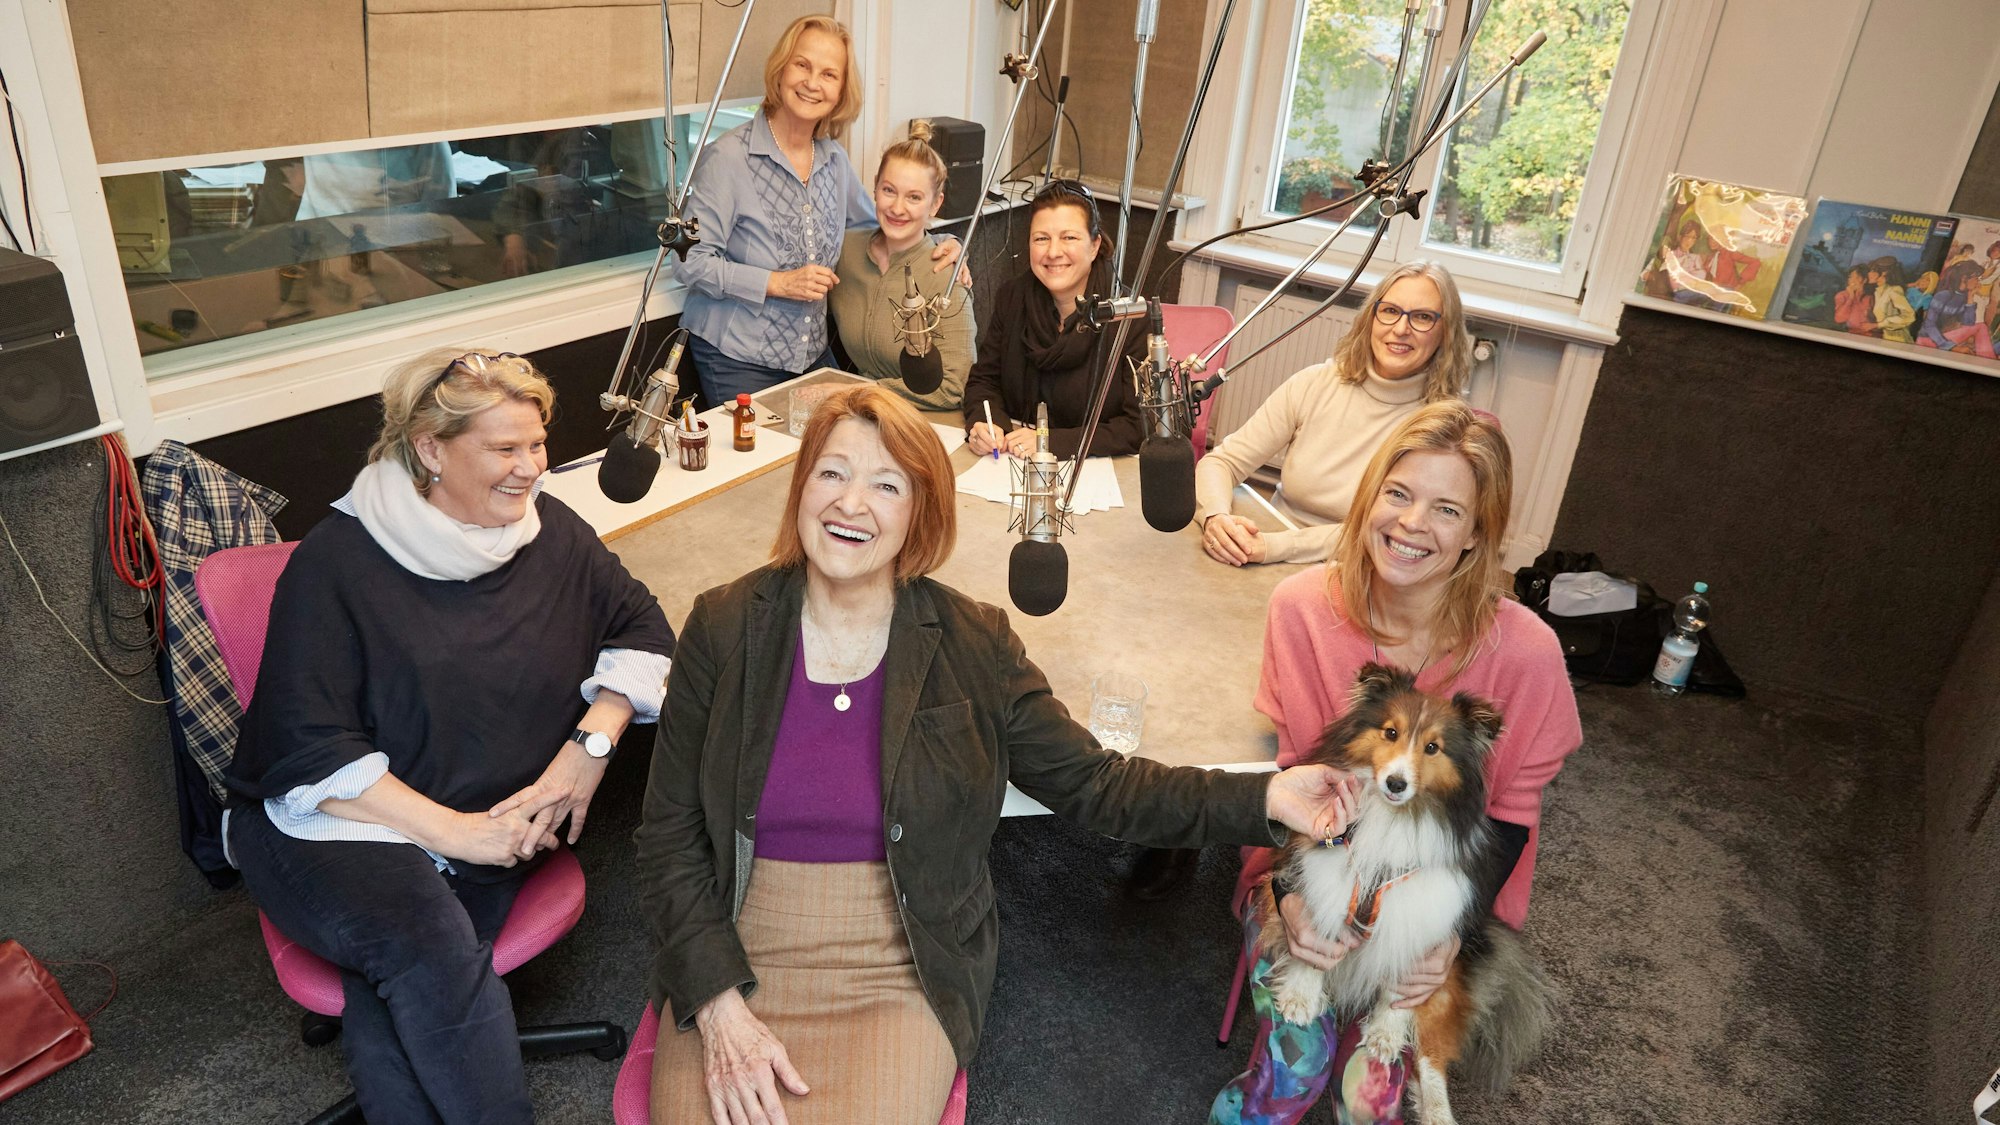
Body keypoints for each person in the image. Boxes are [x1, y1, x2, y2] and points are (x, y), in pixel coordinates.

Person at [635, 384, 1360, 1125]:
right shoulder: (724, 625)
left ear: (920, 512)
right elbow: (668, 832)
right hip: (739, 943)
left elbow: (1099, 785)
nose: (851, 503)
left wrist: (1262, 798)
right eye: (832, 472)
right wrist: (717, 1001)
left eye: (887, 484)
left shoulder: (972, 640)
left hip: (900, 962)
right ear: (800, 486)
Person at [224, 350, 676, 1124]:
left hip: (490, 819)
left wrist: (590, 747)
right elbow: (308, 746)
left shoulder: (551, 532)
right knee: (427, 948)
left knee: (403, 984)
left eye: (537, 443)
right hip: (343, 820)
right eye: (505, 448)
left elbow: (643, 628)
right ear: (431, 449)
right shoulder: (339, 560)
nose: (532, 466)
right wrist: (460, 834)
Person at [1208, 401, 1582, 1125]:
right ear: (1370, 495)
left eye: (1447, 509)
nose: (1412, 524)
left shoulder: (1529, 654)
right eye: (1399, 493)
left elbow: (1509, 823)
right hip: (1305, 871)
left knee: (1372, 1094)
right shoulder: (1300, 607)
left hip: (1441, 905)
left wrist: (1447, 939)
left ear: (1478, 534)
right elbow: (1289, 785)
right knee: (1295, 1066)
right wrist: (1288, 897)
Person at [677, 16, 961, 405]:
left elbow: (881, 229)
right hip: (735, 356)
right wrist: (776, 283)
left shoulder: (833, 160)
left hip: (811, 355)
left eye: (829, 74)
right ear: (781, 69)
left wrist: (943, 244)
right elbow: (690, 261)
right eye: (802, 65)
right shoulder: (728, 158)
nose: (813, 83)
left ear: (841, 89)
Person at [1195, 261, 1475, 568]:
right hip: (1266, 547)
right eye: (1391, 311)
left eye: (1422, 317)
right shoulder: (1315, 382)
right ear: (1371, 317)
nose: (1400, 329)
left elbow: (1390, 533)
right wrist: (1216, 517)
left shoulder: (1442, 427)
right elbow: (1222, 462)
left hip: (1363, 569)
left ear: (1445, 333)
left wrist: (1277, 547)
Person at [962, 181, 1145, 459]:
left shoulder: (1128, 315)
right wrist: (988, 425)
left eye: (1069, 238)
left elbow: (1139, 426)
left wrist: (1049, 441)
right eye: (1041, 238)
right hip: (1012, 464)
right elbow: (984, 382)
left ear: (1094, 246)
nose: (1053, 252)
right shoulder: (1012, 297)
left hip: (1094, 474)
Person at [829, 119, 976, 410]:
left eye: (914, 197)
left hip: (923, 420)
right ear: (874, 189)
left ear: (935, 204)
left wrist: (860, 392)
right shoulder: (844, 251)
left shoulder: (946, 275)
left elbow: (954, 387)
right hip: (860, 412)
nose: (897, 208)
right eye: (889, 191)